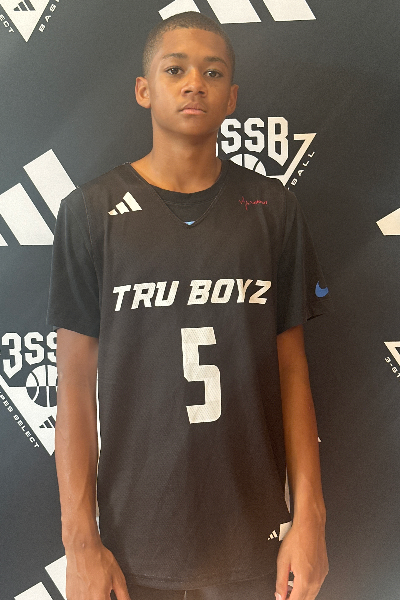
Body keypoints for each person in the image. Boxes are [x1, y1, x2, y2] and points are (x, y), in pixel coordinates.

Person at [47, 11, 331, 600]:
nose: (194, 83)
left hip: (254, 538)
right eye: (175, 69)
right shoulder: (90, 213)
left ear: (232, 98)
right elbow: (73, 382)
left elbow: (293, 372)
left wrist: (310, 519)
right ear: (143, 89)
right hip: (131, 546)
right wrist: (80, 542)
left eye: (213, 71)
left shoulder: (272, 209)